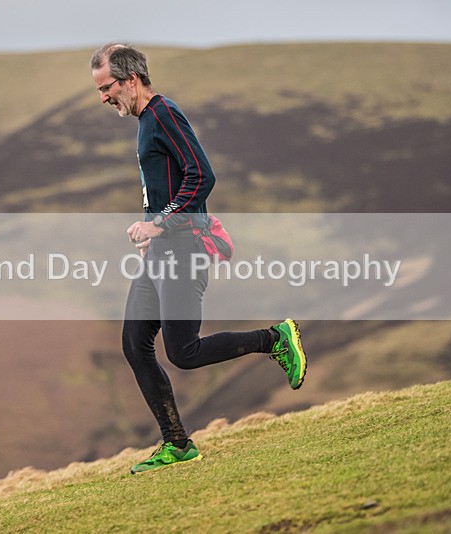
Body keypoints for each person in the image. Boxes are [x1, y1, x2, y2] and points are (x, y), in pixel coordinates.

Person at [89, 43, 307, 474]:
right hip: (163, 250)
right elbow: (167, 185)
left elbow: (201, 175)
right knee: (135, 345)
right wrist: (150, 226)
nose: (103, 98)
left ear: (131, 79)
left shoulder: (164, 113)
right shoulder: (146, 121)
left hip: (184, 247)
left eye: (107, 87)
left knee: (184, 352)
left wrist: (161, 225)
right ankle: (178, 445)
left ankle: (276, 338)